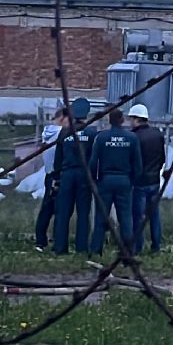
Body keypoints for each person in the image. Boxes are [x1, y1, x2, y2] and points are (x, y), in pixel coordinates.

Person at [89, 107, 142, 256]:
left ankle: (95, 249)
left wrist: (95, 180)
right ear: (122, 120)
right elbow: (137, 163)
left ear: (109, 121)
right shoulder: (131, 138)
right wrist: (132, 180)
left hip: (105, 180)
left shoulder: (101, 137)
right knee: (125, 218)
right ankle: (128, 250)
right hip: (124, 180)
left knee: (101, 216)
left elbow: (93, 162)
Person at [51, 98, 95, 254]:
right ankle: (81, 248)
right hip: (84, 175)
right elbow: (94, 156)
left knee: (63, 212)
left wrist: (56, 177)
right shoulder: (91, 133)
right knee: (83, 212)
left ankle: (60, 247)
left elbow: (58, 158)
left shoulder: (64, 132)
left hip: (67, 175)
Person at [126, 103, 167, 254]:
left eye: (131, 118)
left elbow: (133, 161)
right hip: (155, 181)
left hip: (140, 182)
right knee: (154, 215)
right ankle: (156, 246)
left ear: (136, 119)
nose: (130, 121)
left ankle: (138, 247)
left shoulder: (134, 137)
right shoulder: (157, 134)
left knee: (138, 217)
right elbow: (162, 158)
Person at [33, 105, 69, 250]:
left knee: (47, 208)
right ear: (63, 118)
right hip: (58, 173)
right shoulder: (61, 133)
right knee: (59, 209)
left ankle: (41, 238)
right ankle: (55, 240)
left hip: (49, 174)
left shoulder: (48, 132)